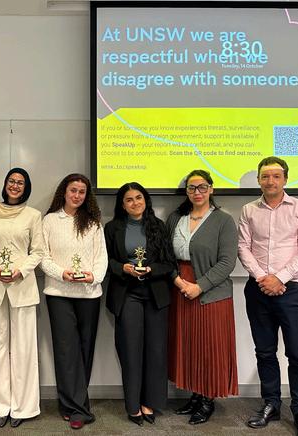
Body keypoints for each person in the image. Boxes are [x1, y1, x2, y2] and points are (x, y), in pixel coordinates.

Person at [238, 157, 298, 436]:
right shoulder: (248, 210)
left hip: (292, 292)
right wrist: (264, 279)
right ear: (259, 180)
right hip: (258, 290)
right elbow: (243, 247)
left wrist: (279, 278)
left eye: (275, 176)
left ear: (285, 179)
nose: (270, 181)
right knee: (265, 352)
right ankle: (271, 404)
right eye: (265, 176)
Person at [166, 170, 239, 425]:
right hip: (180, 289)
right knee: (189, 346)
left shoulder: (223, 221)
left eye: (202, 187)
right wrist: (177, 280)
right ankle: (195, 396)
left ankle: (208, 400)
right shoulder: (175, 218)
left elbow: (227, 262)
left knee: (209, 348)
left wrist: (200, 286)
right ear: (186, 191)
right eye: (192, 187)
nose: (197, 192)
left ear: (211, 189)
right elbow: (165, 255)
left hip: (211, 293)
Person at [0, 168, 45, 428]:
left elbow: (38, 251)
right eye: (11, 181)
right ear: (5, 184)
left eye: (20, 182)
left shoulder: (33, 215)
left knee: (24, 349)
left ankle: (22, 407)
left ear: (26, 187)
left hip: (23, 287)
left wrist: (21, 270)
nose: (15, 185)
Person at [40, 173, 107, 430]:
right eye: (73, 190)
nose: (77, 195)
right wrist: (62, 274)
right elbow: (43, 257)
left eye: (81, 191)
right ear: (64, 192)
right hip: (59, 294)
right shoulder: (49, 220)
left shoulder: (94, 222)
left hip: (89, 294)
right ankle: (78, 408)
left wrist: (94, 277)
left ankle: (70, 404)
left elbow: (101, 257)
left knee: (84, 349)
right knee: (66, 350)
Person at [103, 182, 173, 426]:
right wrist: (122, 268)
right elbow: (105, 261)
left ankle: (149, 402)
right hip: (127, 294)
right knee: (130, 350)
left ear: (146, 200)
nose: (135, 203)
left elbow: (169, 263)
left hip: (155, 294)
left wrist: (151, 269)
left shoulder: (158, 226)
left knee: (155, 351)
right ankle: (133, 405)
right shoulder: (112, 228)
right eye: (129, 199)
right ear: (122, 205)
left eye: (139, 197)